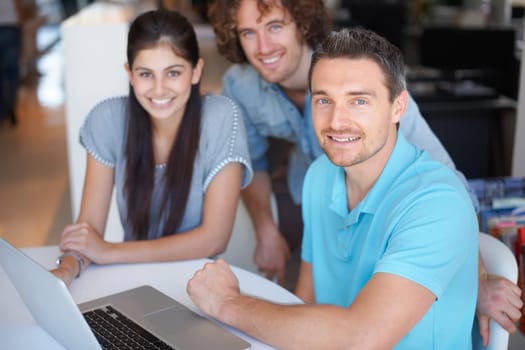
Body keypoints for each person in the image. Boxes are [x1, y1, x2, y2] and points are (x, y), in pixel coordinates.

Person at [206, 0, 522, 344]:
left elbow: (447, 194)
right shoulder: (317, 177)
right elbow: (306, 300)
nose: (337, 119)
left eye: (358, 100)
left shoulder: (434, 201)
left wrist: (471, 271)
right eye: (323, 100)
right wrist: (266, 230)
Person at [51, 9, 252, 286]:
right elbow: (89, 234)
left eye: (173, 73)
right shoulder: (107, 119)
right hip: (132, 279)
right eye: (146, 74)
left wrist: (108, 251)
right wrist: (67, 269)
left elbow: (214, 238)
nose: (159, 90)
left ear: (196, 72)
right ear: (129, 74)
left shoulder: (220, 117)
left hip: (200, 282)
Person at [0, 0, 22, 127]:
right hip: (11, 28)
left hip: (11, 27)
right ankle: (12, 108)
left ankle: (3, 111)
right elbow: (19, 8)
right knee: (12, 73)